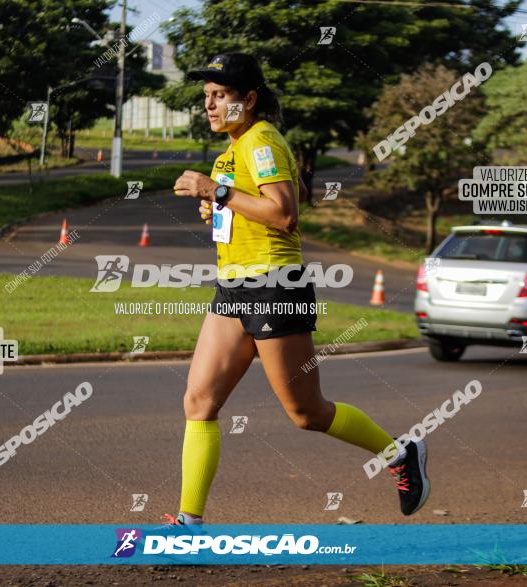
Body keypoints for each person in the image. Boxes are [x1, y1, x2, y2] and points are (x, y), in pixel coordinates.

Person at [165, 53, 430, 528]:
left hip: (274, 285)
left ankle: (401, 451)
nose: (208, 104)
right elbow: (274, 199)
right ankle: (189, 522)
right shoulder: (234, 147)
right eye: (205, 95)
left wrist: (217, 192)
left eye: (219, 95)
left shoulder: (260, 140)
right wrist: (221, 206)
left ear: (247, 99)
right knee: (199, 401)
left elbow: (286, 214)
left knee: (306, 412)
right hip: (234, 286)